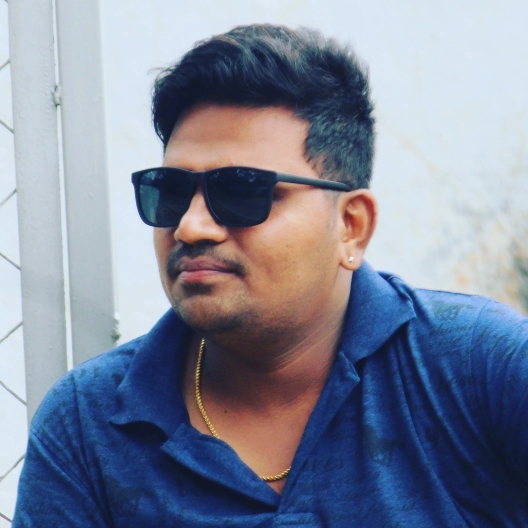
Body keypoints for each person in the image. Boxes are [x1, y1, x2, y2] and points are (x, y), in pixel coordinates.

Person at [13, 24, 528, 527]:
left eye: (241, 190)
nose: (190, 226)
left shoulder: (477, 368)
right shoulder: (89, 423)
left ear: (351, 226)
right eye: (170, 191)